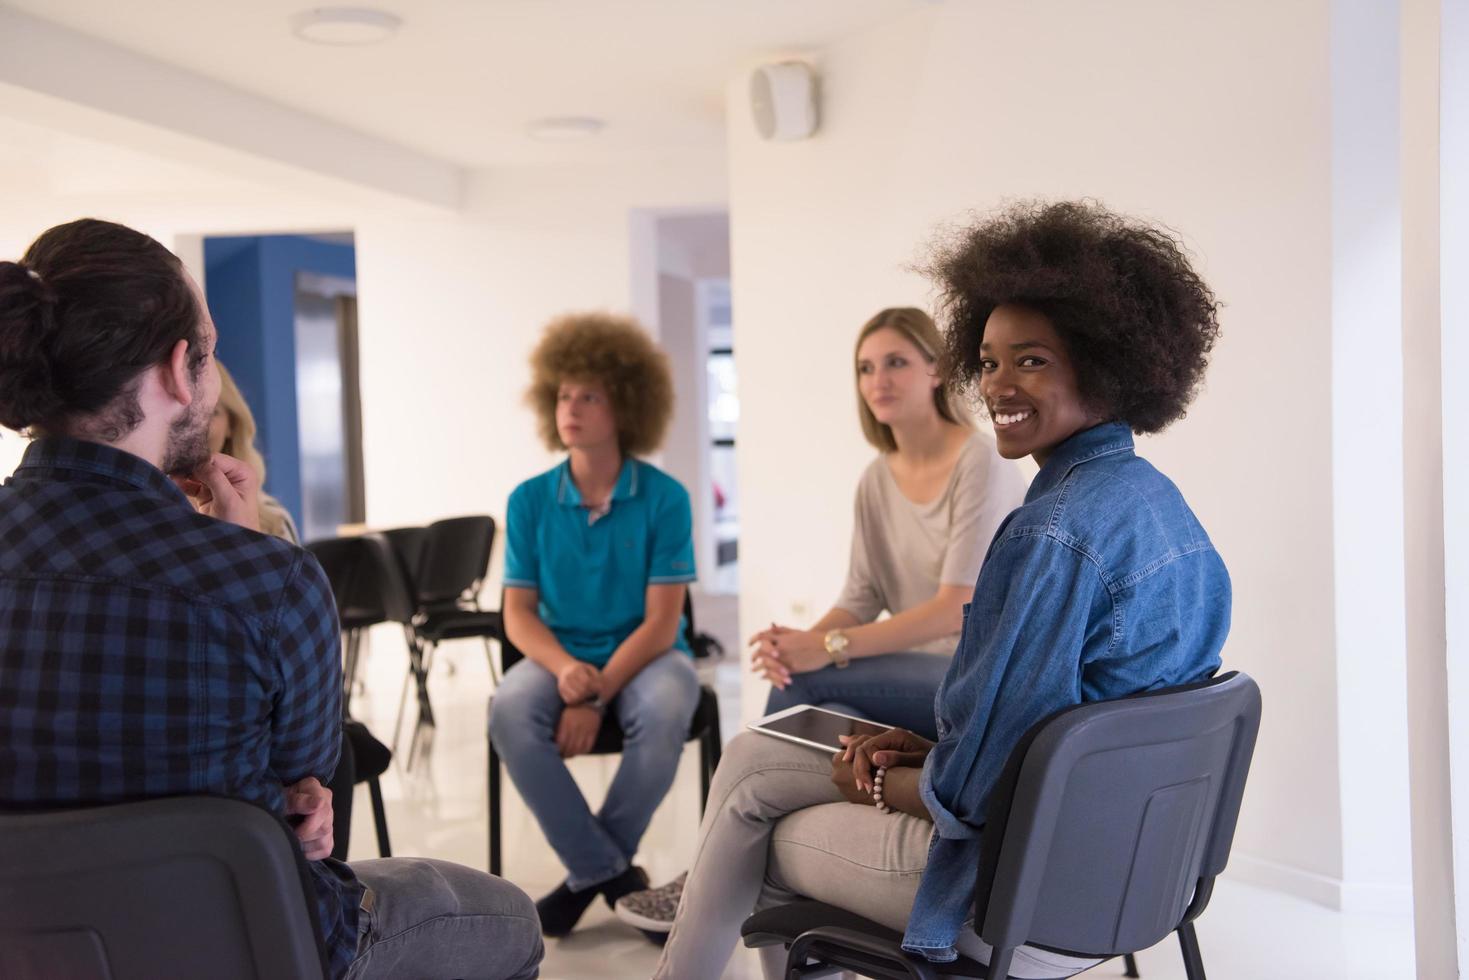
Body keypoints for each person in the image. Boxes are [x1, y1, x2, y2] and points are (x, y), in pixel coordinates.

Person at [651, 200, 1231, 979]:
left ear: (1103, 362)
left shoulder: (1048, 534)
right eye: (988, 360)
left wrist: (882, 778)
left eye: (1030, 359)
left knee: (756, 807)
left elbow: (971, 792)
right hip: (1134, 877)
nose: (996, 383)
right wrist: (929, 747)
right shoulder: (1163, 509)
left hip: (1022, 898)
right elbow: (1063, 730)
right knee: (762, 770)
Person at [0, 219, 542, 980]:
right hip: (246, 944)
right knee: (509, 920)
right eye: (211, 352)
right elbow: (310, 779)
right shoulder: (264, 579)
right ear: (178, 370)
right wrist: (243, 548)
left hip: (29, 952)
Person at [615, 307, 1025, 936]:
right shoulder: (875, 479)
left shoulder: (981, 461)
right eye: (865, 368)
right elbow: (860, 596)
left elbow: (953, 608)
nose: (877, 379)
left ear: (938, 370)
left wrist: (826, 647)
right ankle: (763, 872)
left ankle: (707, 875)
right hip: (915, 672)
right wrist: (801, 643)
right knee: (804, 683)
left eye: (895, 362)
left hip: (973, 676)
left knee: (806, 686)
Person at [489, 312, 700, 938]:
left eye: (590, 396)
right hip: (559, 653)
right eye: (563, 395)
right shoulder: (529, 500)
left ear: (626, 407)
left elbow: (664, 624)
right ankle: (608, 873)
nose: (571, 408)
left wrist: (596, 691)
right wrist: (567, 673)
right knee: (507, 710)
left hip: (648, 654)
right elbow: (518, 614)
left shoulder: (665, 497)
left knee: (665, 710)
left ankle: (582, 879)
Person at [208, 360, 299, 542]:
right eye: (184, 412)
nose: (196, 425)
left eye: (211, 412)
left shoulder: (274, 521)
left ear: (231, 425)